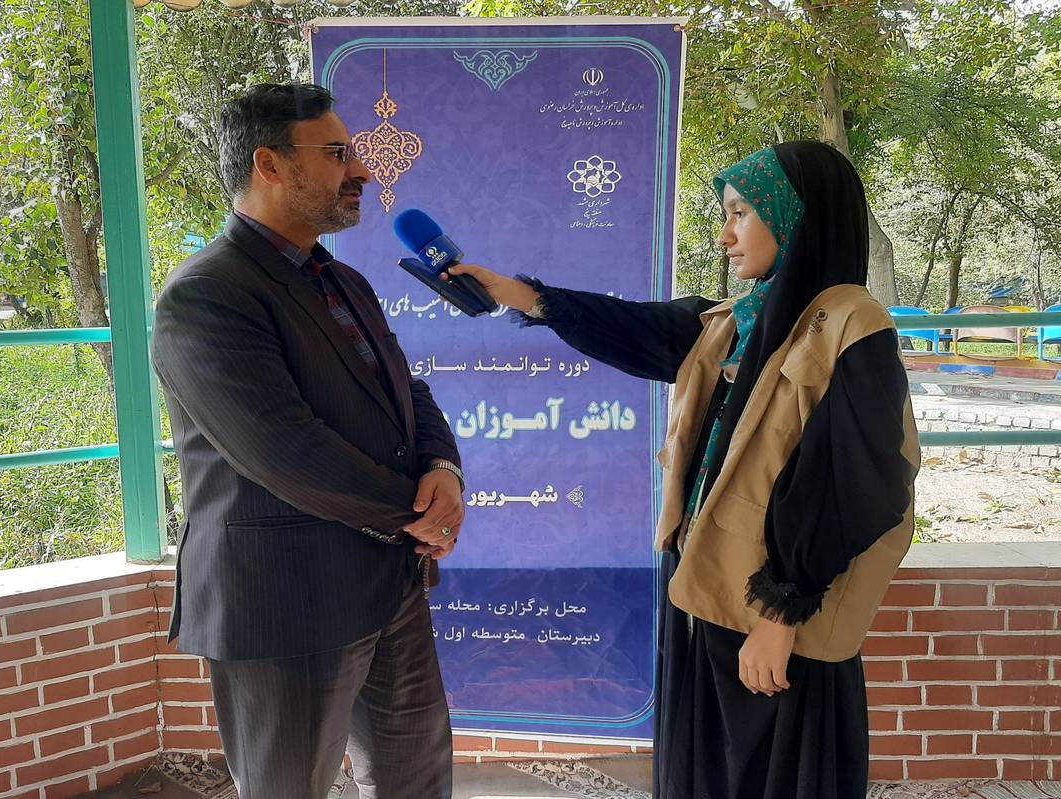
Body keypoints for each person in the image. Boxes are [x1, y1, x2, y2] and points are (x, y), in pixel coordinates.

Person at [449, 140, 919, 799]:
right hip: (708, 593)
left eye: (741, 214)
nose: (726, 237)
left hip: (777, 615)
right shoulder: (738, 322)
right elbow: (639, 329)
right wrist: (520, 295)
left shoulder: (850, 325)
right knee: (706, 769)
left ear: (796, 216)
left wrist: (782, 613)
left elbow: (857, 485)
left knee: (776, 773)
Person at [151, 83, 464, 799]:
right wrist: (419, 513)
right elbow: (285, 450)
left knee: (416, 781)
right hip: (284, 602)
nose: (362, 170)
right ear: (269, 164)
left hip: (389, 583)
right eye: (337, 153)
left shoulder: (344, 281)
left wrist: (443, 468)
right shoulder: (206, 294)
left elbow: (406, 391)